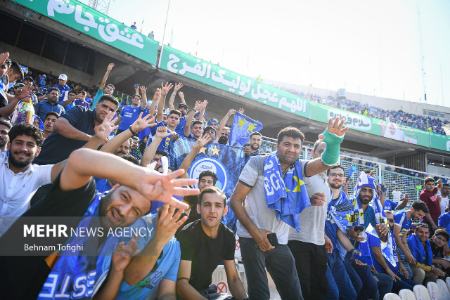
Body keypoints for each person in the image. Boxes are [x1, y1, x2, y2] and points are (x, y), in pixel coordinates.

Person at [0, 146, 198, 299]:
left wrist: (117, 271)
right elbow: (79, 159)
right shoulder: (79, 200)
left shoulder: (114, 242)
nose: (123, 210)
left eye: (136, 211)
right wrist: (140, 176)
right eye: (125, 197)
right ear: (114, 187)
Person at [231, 117, 347, 300]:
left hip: (280, 240)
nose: (291, 149)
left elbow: (326, 163)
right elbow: (235, 200)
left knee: (294, 294)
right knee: (259, 295)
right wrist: (256, 233)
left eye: (296, 146)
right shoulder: (257, 163)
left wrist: (334, 143)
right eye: (287, 144)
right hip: (250, 237)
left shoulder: (300, 168)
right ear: (277, 145)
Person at [177, 186, 248, 299]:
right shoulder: (188, 234)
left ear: (225, 210)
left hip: (206, 292)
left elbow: (233, 278)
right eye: (207, 205)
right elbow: (182, 284)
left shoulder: (228, 236)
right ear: (199, 208)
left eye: (218, 205)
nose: (212, 211)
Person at [288, 138, 332, 300]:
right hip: (297, 241)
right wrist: (308, 200)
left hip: (318, 243)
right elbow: (287, 198)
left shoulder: (326, 182)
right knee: (303, 290)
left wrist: (324, 236)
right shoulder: (303, 170)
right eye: (321, 152)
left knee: (320, 290)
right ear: (313, 154)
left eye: (329, 152)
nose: (325, 156)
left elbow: (319, 214)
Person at [34, 95, 119, 164]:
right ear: (97, 104)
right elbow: (59, 125)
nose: (107, 111)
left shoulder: (107, 132)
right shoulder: (81, 111)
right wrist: (92, 139)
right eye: (104, 106)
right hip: (42, 163)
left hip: (65, 177)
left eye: (111, 110)